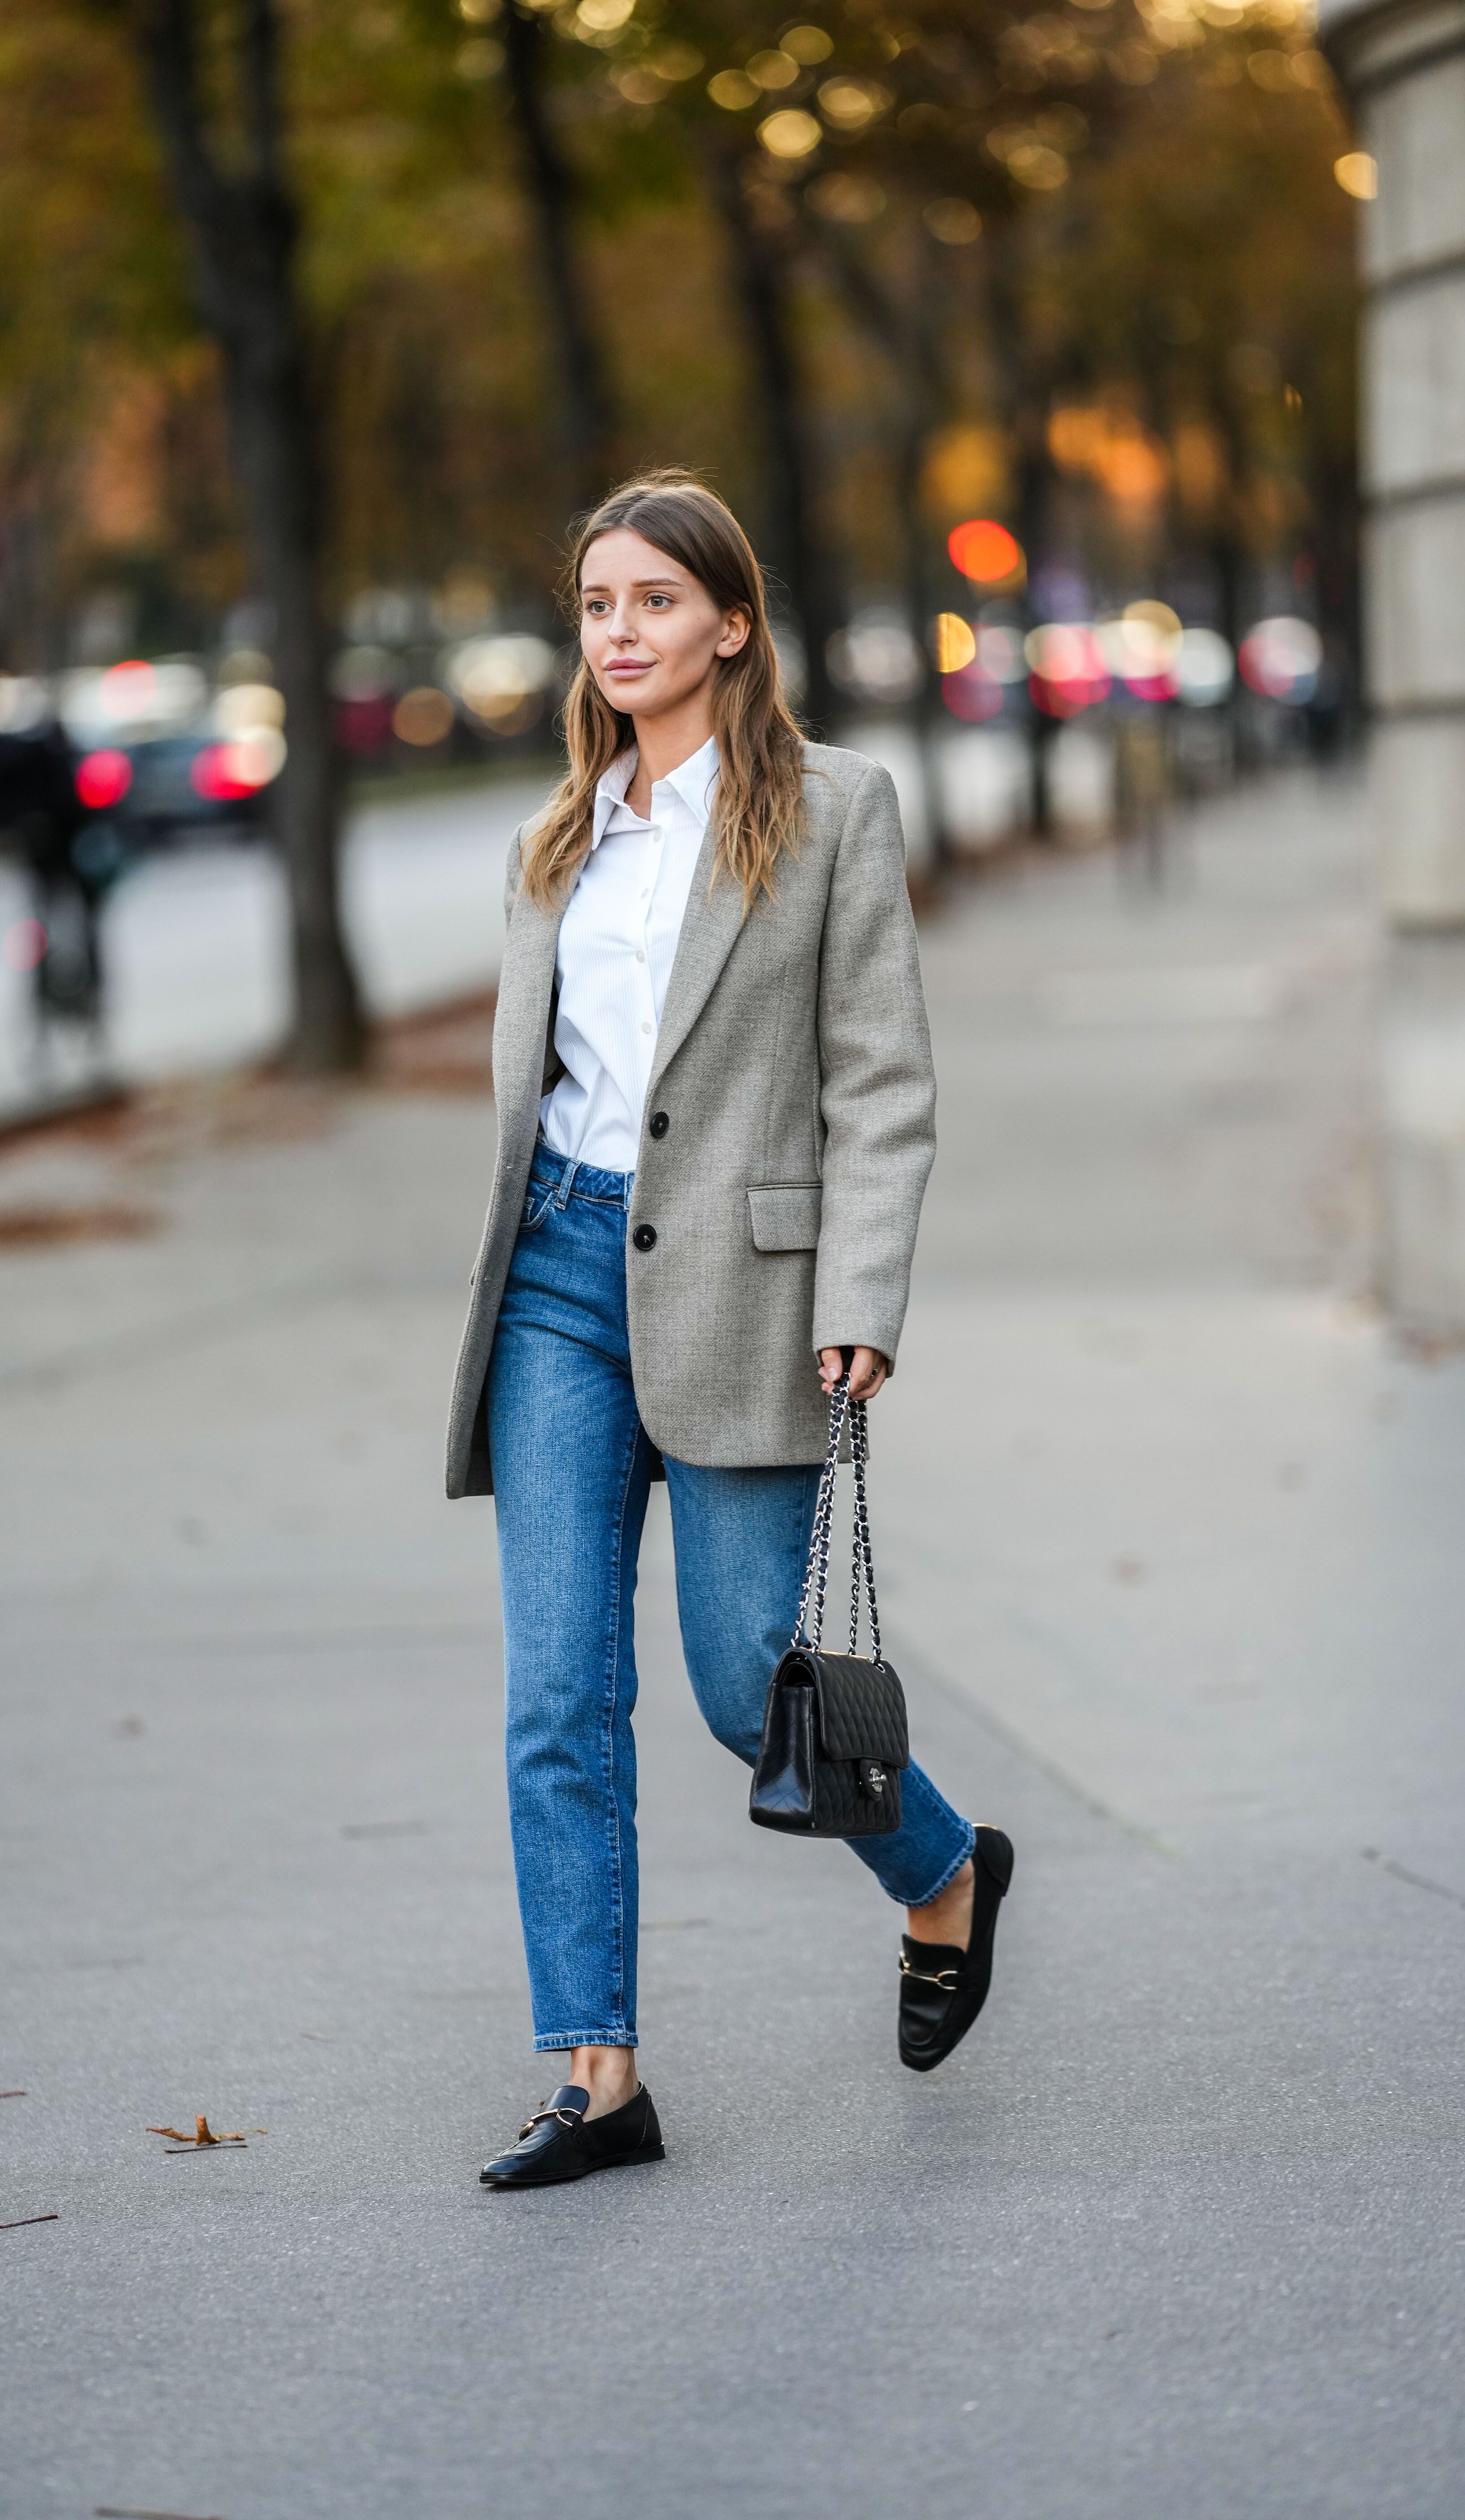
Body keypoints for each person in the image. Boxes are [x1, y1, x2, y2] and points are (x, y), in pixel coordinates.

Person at [446, 474, 1013, 2189]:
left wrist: (863, 1298)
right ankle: (598, 2077)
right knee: (557, 1692)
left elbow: (882, 1080)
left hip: (747, 1287)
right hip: (557, 1273)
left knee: (739, 1683)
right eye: (599, 604)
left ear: (731, 624)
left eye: (655, 604)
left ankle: (943, 1870)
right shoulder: (564, 827)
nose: (620, 633)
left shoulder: (834, 808)